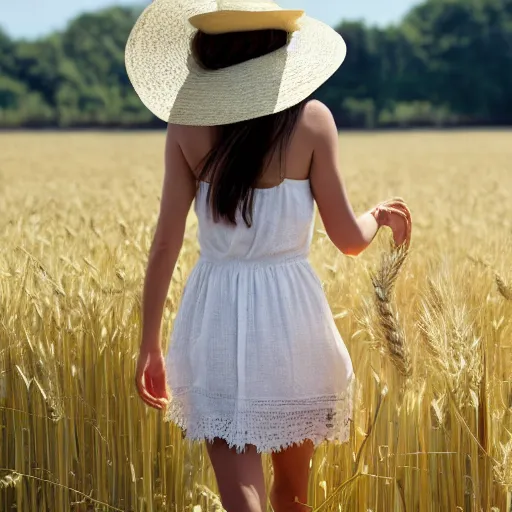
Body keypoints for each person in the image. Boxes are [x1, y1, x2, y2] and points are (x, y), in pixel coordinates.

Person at [127, 1, 412, 511]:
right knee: (294, 496)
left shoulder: (187, 128)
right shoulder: (312, 121)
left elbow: (165, 244)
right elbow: (348, 238)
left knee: (240, 493)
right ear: (277, 51)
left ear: (208, 53)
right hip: (292, 318)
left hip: (215, 314)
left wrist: (149, 344)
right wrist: (379, 217)